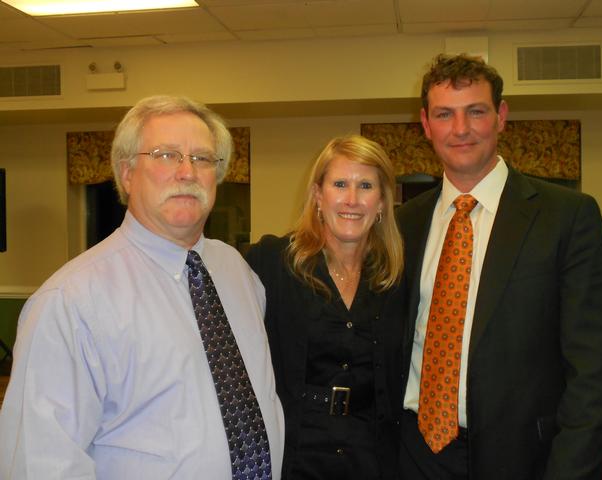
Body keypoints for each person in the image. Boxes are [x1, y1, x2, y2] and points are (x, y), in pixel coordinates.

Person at [0, 95, 284, 479]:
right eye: (166, 155)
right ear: (127, 173)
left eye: (202, 158)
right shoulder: (70, 302)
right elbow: (40, 465)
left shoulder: (237, 272)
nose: (187, 172)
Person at [396, 53, 602, 479]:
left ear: (501, 116)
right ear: (426, 125)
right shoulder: (402, 224)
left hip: (523, 457)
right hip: (414, 453)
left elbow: (596, 371)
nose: (460, 129)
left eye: (475, 112)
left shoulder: (566, 216)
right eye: (445, 114)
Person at [246, 134, 405, 479]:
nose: (351, 199)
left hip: (373, 458)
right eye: (339, 184)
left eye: (365, 185)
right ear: (318, 195)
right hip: (295, 456)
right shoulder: (272, 262)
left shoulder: (395, 279)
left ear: (381, 202)